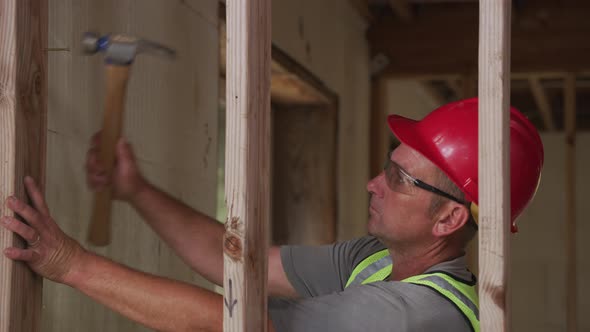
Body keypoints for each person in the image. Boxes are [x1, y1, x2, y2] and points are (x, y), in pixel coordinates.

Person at [1, 98, 543, 331]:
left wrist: (67, 262)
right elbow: (235, 262)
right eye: (388, 164)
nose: (373, 183)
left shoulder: (414, 314)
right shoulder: (376, 260)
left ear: (447, 220)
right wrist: (136, 189)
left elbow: (234, 323)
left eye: (398, 179)